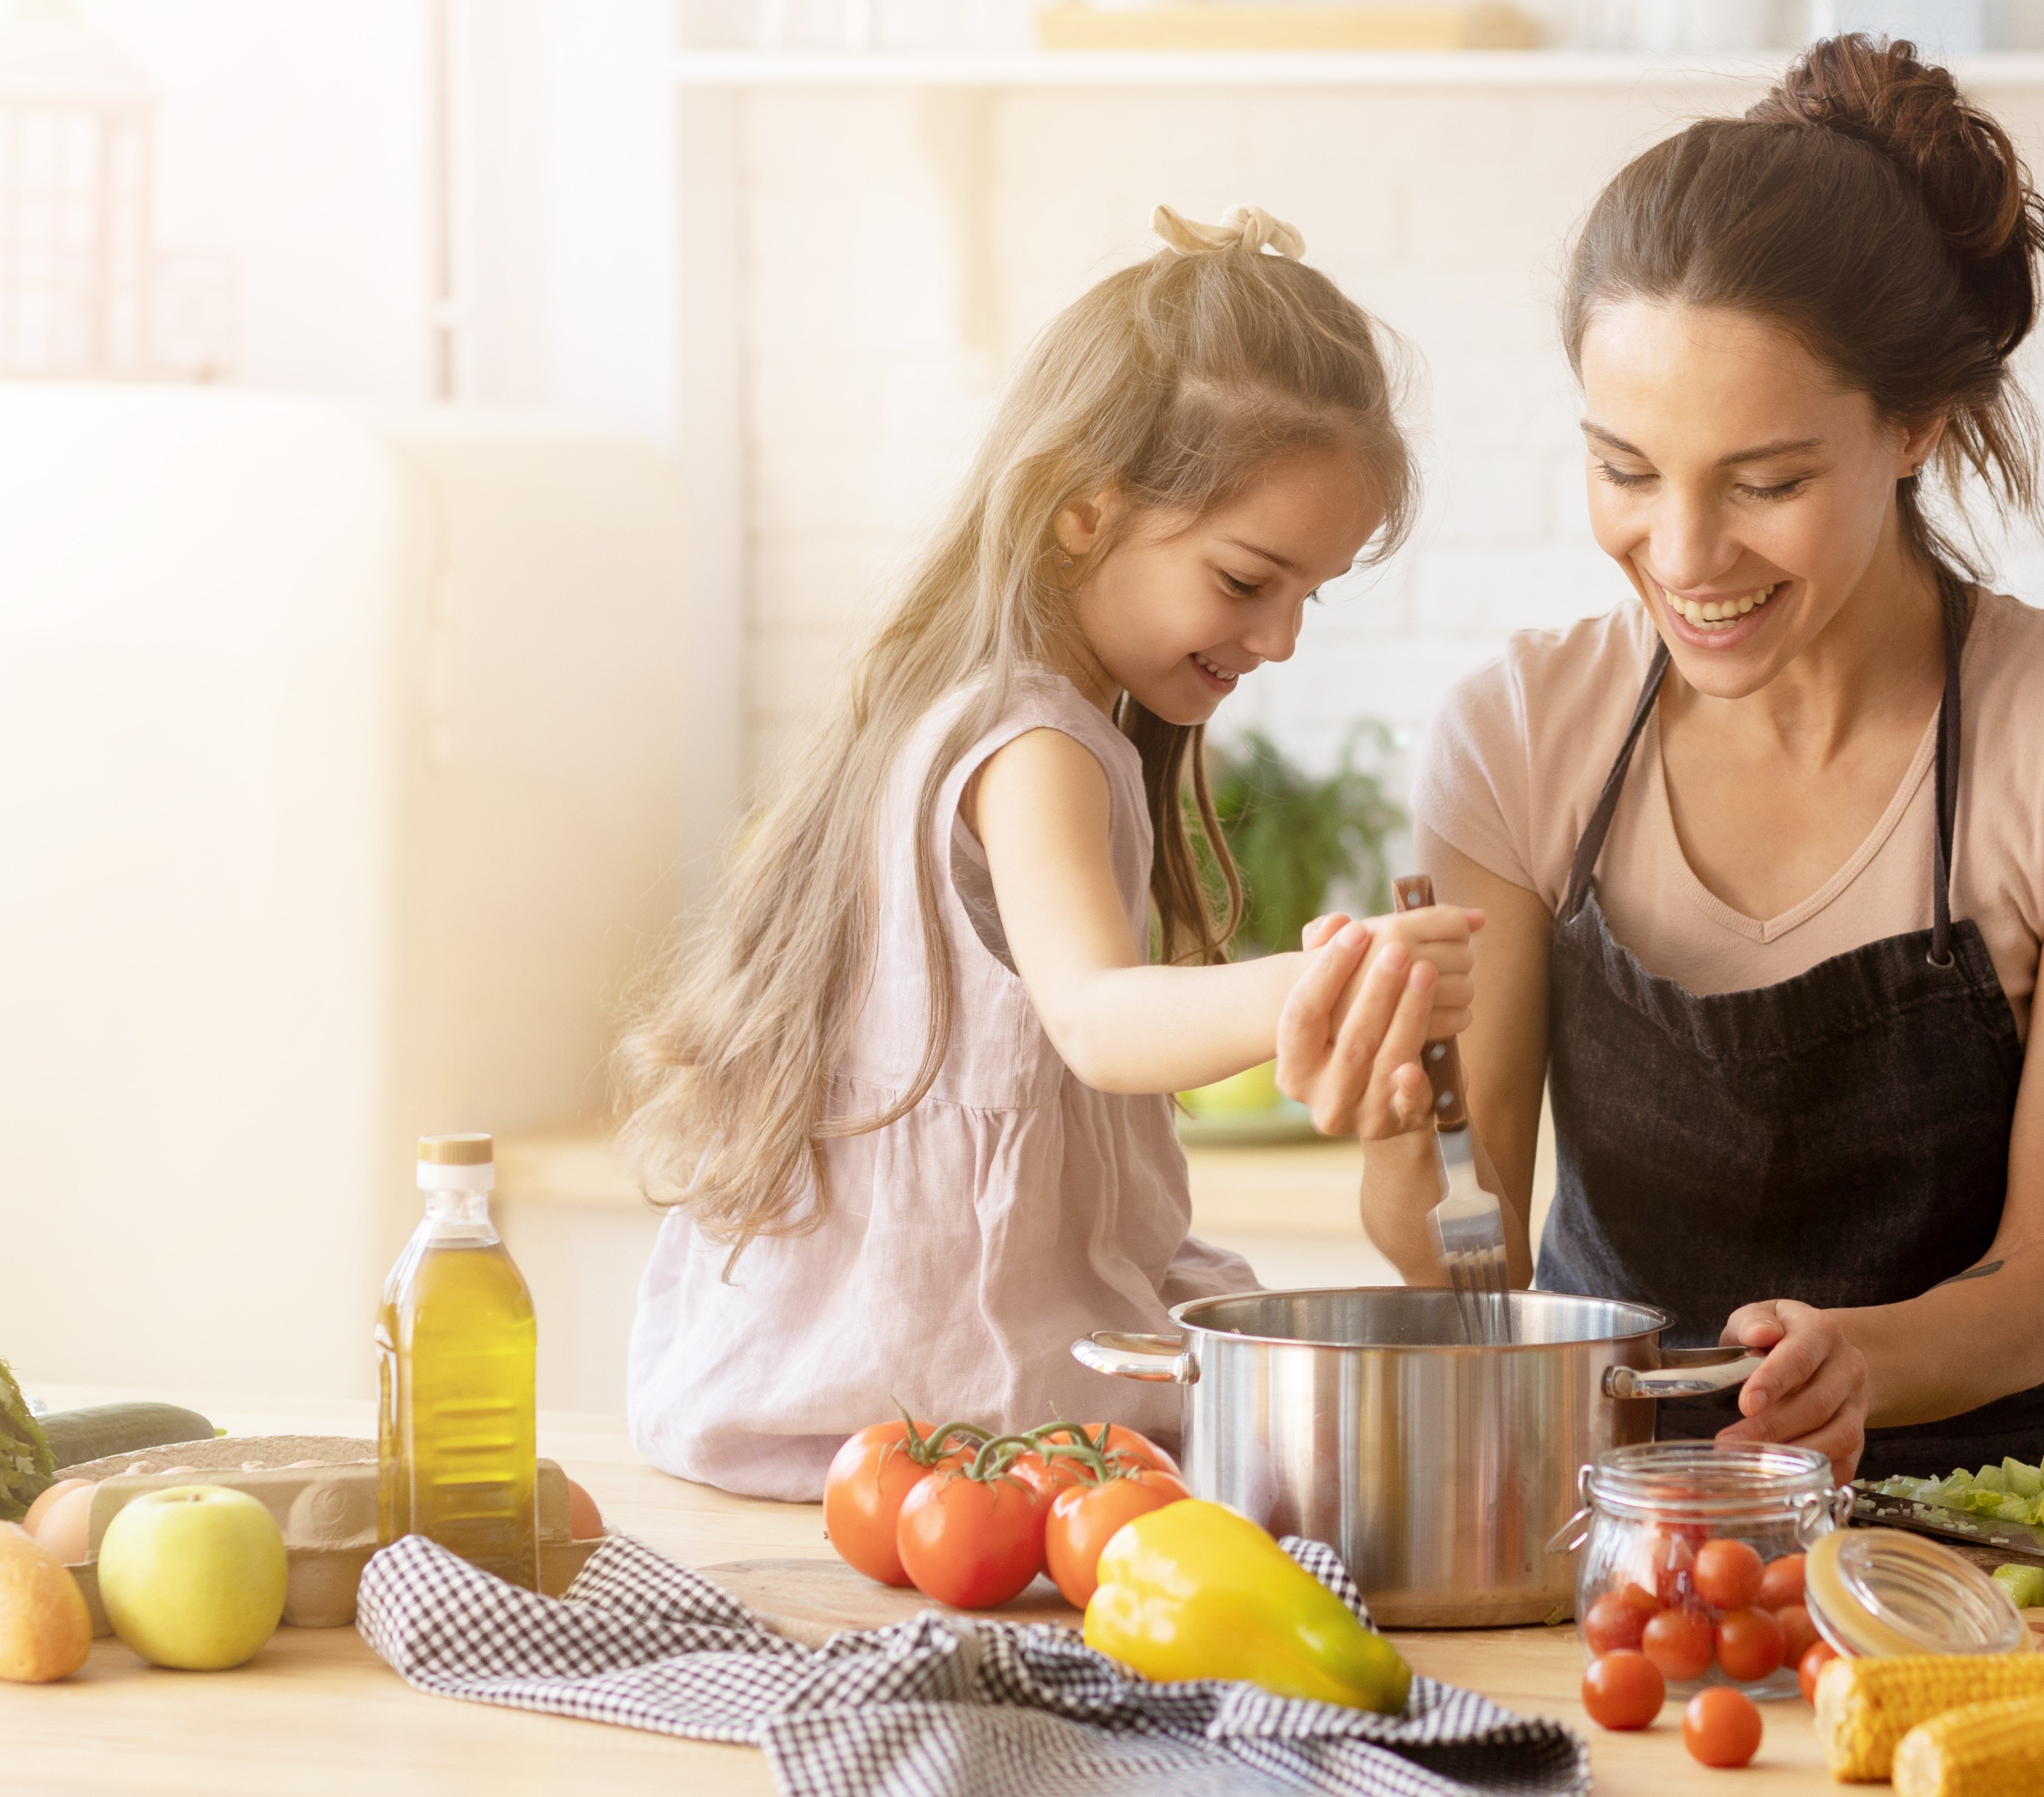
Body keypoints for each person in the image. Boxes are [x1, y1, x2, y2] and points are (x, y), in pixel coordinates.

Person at [1374, 41, 2044, 1485]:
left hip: (1983, 1529)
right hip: (1609, 1525)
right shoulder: (1520, 738)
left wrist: (1865, 1358)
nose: (1688, 555)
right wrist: (1407, 1120)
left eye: (1765, 483)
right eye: (1627, 470)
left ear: (1916, 425)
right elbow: (1467, 1261)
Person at [620, 206, 1479, 1500]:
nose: (1284, 637)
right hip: (958, 1405)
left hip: (836, 1395)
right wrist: (1321, 976)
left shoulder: (962, 704)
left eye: (1311, 591)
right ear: (1083, 513)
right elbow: (1093, 1017)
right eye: (1248, 580)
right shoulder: (1038, 741)